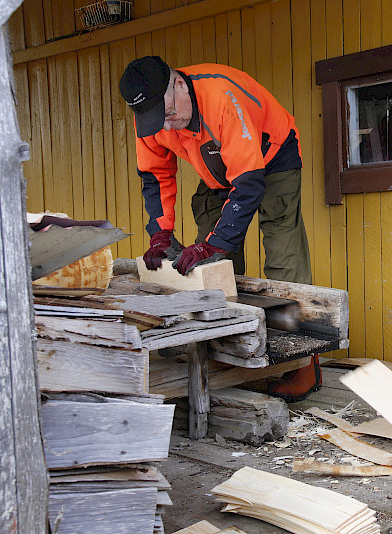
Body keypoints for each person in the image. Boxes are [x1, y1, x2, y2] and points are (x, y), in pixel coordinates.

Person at [119, 56, 319, 401]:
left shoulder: (222, 98)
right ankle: (235, 353)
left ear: (179, 85)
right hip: (215, 167)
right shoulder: (153, 118)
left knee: (283, 254)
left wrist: (217, 243)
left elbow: (250, 184)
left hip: (270, 158)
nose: (165, 126)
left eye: (168, 115)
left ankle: (300, 362)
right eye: (156, 120)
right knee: (209, 267)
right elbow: (155, 176)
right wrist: (160, 233)